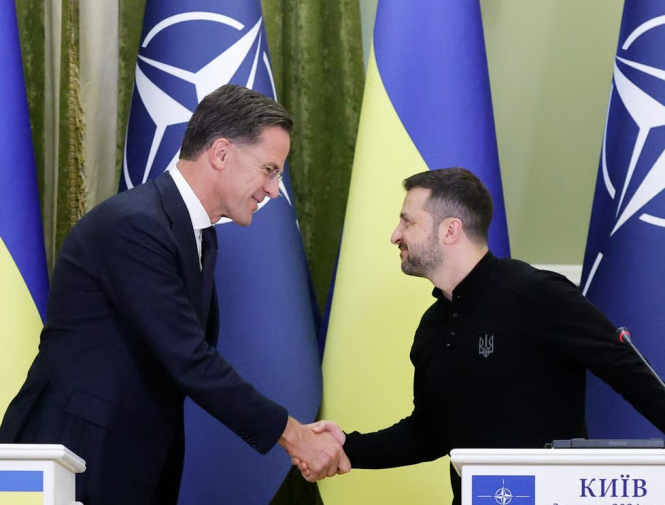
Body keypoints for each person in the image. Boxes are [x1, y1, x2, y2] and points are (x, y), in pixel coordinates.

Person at [0, 84, 349, 505]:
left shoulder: (197, 236)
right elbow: (189, 358)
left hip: (131, 465)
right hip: (71, 459)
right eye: (270, 170)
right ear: (221, 154)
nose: (274, 190)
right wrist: (293, 435)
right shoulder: (135, 226)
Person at [295, 167, 665, 504]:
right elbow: (429, 434)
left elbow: (627, 370)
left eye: (407, 221)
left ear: (450, 230)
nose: (395, 235)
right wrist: (346, 447)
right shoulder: (432, 326)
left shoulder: (536, 294)